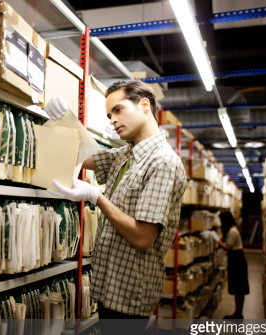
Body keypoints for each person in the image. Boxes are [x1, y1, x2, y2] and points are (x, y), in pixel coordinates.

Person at [45, 80, 187, 330]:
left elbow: (143, 238)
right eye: (109, 115)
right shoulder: (127, 154)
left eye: (118, 110)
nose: (112, 120)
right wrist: (63, 121)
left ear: (144, 105)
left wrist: (96, 197)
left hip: (131, 293)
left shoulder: (163, 162)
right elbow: (86, 156)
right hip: (108, 286)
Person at [203, 211, 250, 319]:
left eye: (220, 220)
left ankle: (238, 313)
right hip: (236, 259)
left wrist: (217, 240)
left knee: (239, 288)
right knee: (238, 288)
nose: (219, 222)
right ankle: (238, 313)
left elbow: (227, 247)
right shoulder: (231, 229)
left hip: (237, 260)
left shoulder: (233, 231)